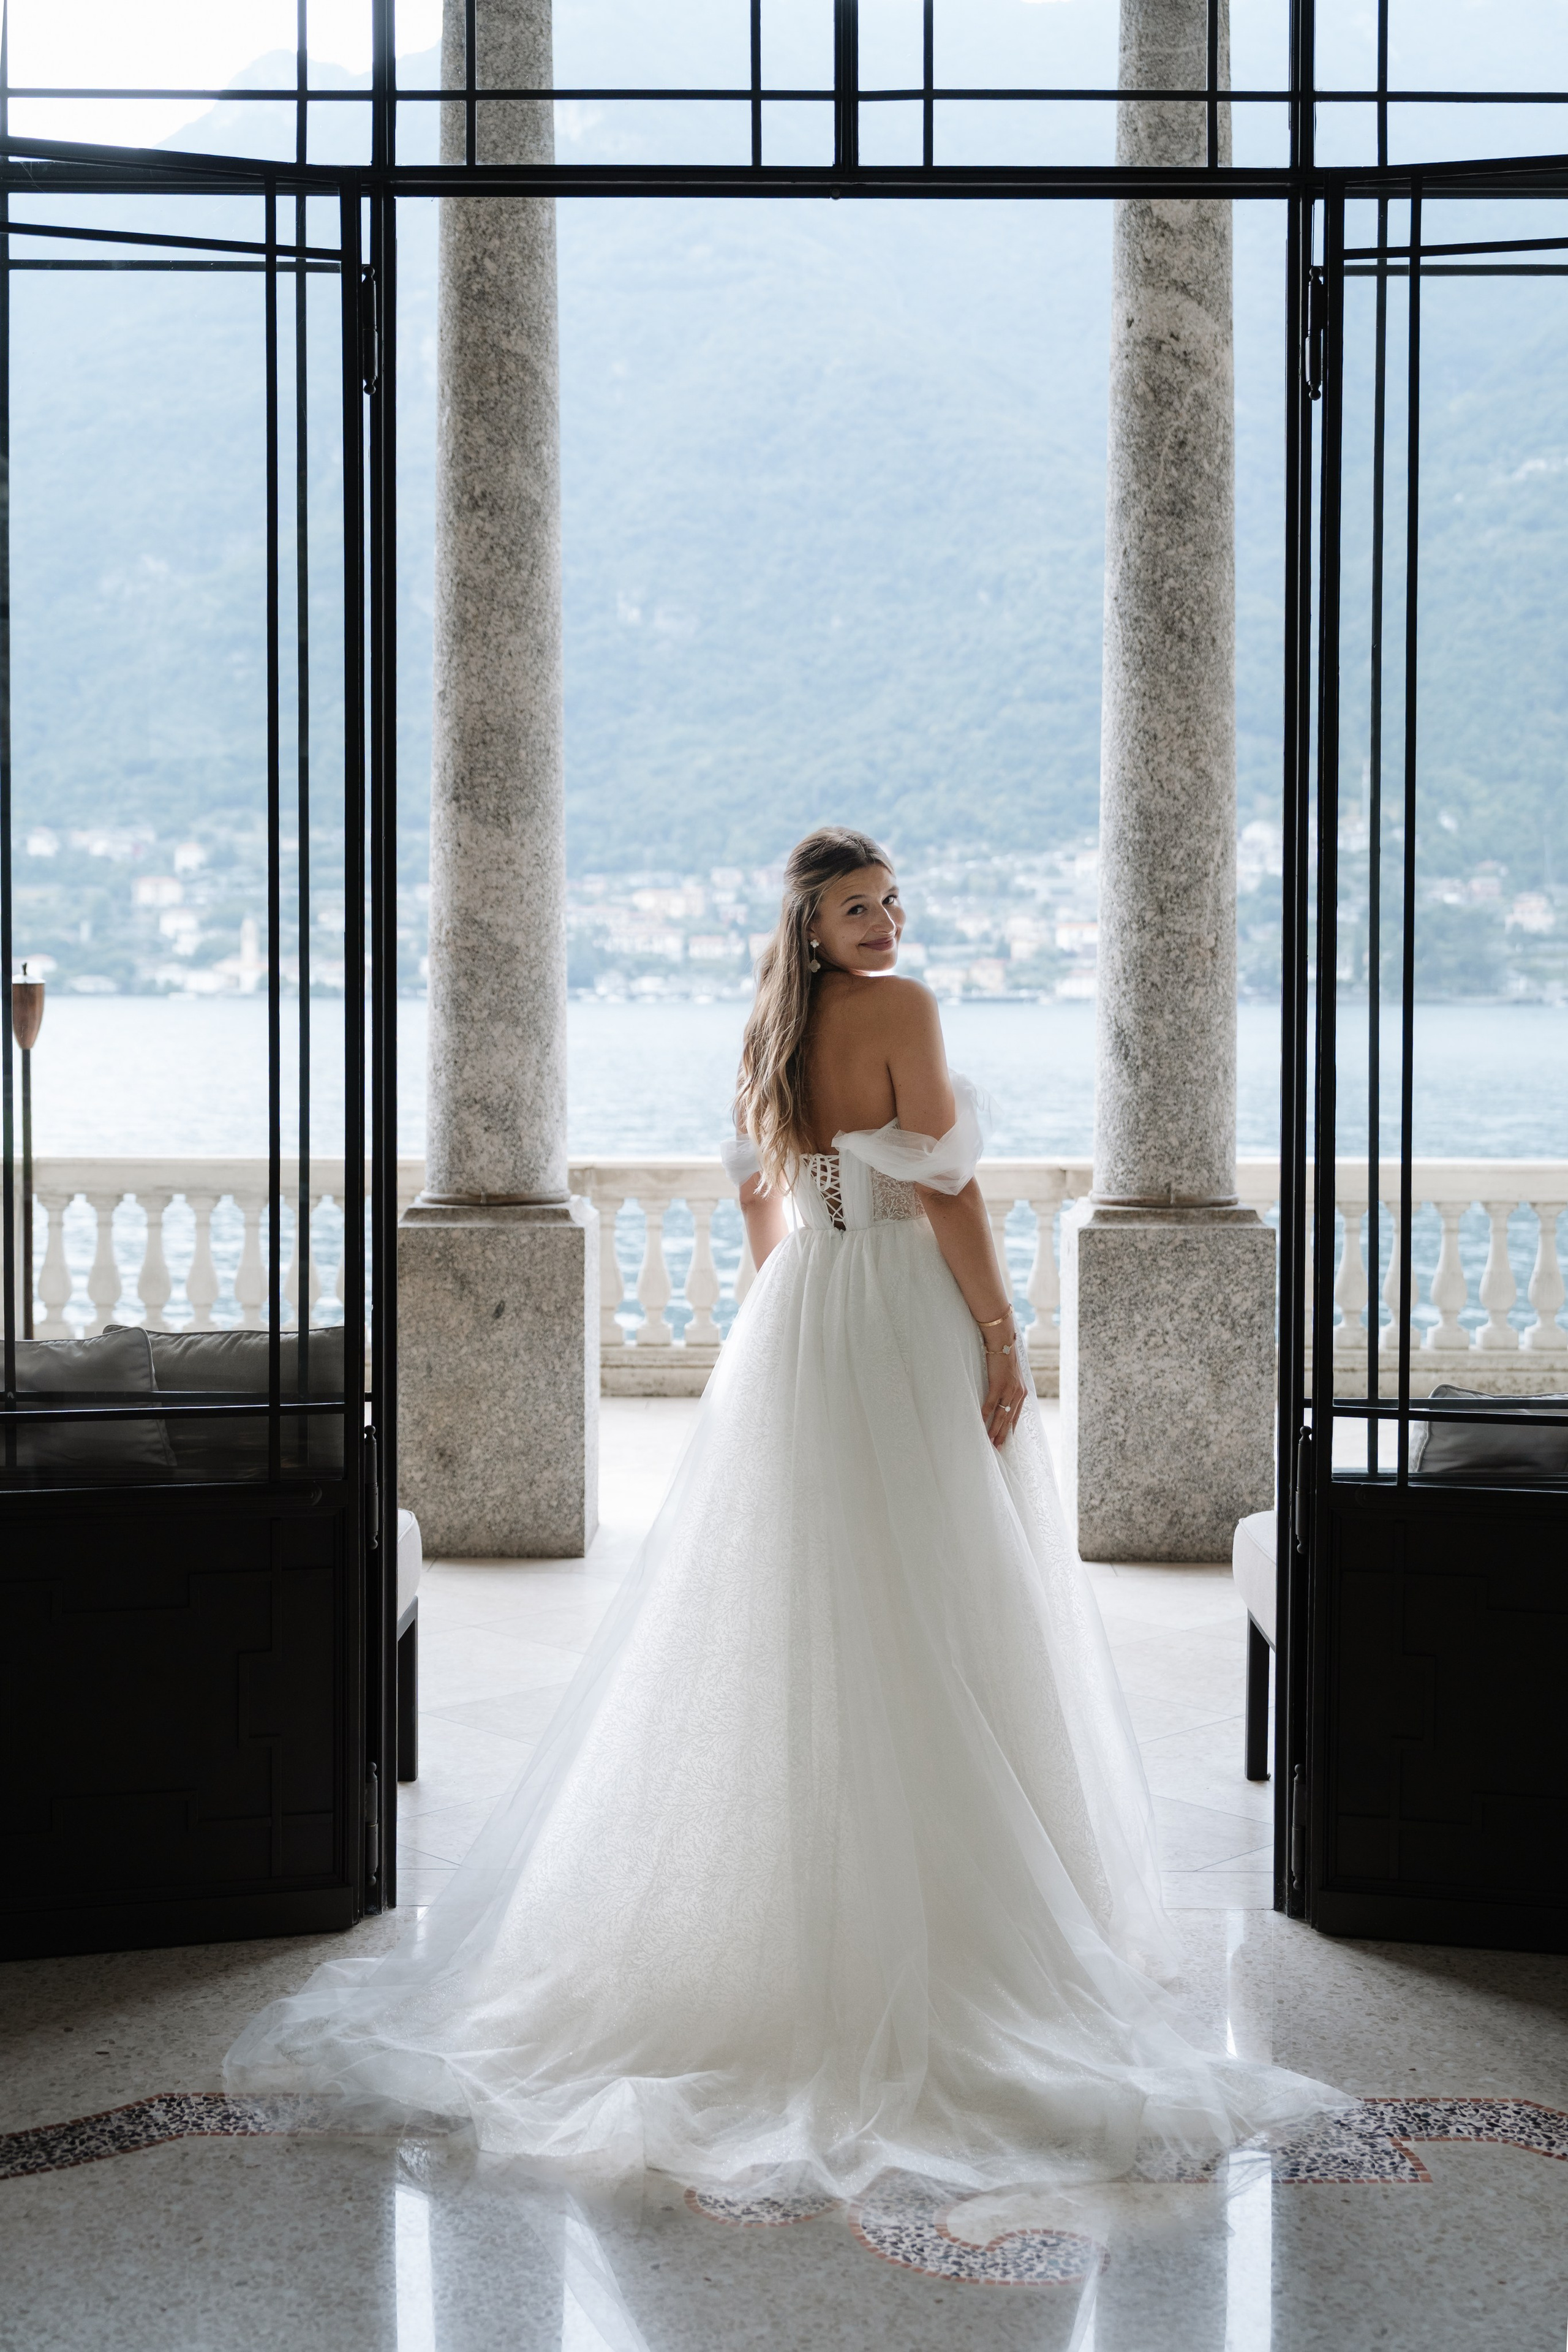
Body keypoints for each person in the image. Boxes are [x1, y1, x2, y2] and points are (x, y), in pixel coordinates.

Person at [227, 825, 1343, 2196]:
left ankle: (790, 1908)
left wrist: (779, 1322)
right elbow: (946, 1189)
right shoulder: (906, 1013)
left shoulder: (768, 1032)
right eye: (855, 909)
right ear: (810, 926)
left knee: (803, 1603)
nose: (884, 925)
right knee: (930, 1592)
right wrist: (999, 1335)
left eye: (889, 903)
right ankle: (948, 1921)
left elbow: (763, 1205)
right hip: (893, 1317)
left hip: (799, 1317)